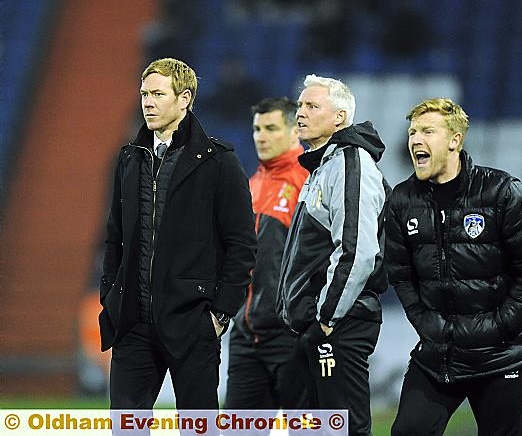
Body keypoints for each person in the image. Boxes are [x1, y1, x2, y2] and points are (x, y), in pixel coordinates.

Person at [99, 58, 257, 411]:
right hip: (133, 324)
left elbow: (242, 243)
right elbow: (114, 236)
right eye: (144, 94)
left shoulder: (218, 162)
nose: (147, 102)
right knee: (125, 429)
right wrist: (110, 296)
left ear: (184, 98)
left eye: (157, 94)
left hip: (193, 323)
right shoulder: (129, 159)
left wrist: (219, 314)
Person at [385, 98, 522, 436]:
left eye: (427, 131)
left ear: (455, 140)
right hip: (438, 356)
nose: (415, 139)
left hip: (501, 356)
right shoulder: (402, 200)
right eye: (413, 132)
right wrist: (427, 323)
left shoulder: (502, 192)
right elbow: (400, 273)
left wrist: (502, 327)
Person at [277, 75, 390, 436]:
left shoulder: (349, 164)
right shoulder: (324, 166)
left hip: (339, 323)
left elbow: (357, 250)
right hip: (320, 323)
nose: (300, 113)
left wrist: (326, 319)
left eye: (312, 106)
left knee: (345, 428)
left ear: (340, 118)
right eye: (300, 105)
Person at [225, 97, 309, 410]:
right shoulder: (252, 184)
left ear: (293, 133)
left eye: (271, 128)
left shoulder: (309, 182)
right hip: (246, 336)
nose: (261, 136)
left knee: (310, 432)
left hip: (291, 336)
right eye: (257, 128)